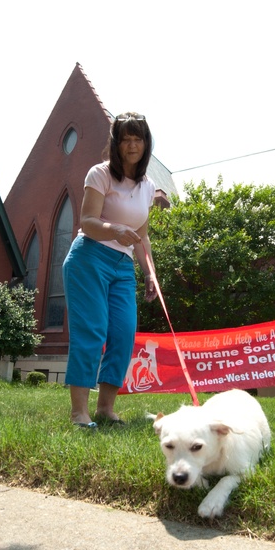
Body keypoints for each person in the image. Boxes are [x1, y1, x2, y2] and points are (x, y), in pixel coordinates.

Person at [62, 112, 158, 427]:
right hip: (90, 256)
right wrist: (114, 229)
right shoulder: (100, 174)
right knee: (91, 331)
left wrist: (149, 275)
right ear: (116, 143)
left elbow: (142, 236)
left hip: (122, 267)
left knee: (123, 333)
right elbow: (87, 222)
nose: (132, 145)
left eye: (138, 138)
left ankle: (106, 408)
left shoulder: (147, 186)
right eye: (126, 138)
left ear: (146, 143)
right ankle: (80, 412)